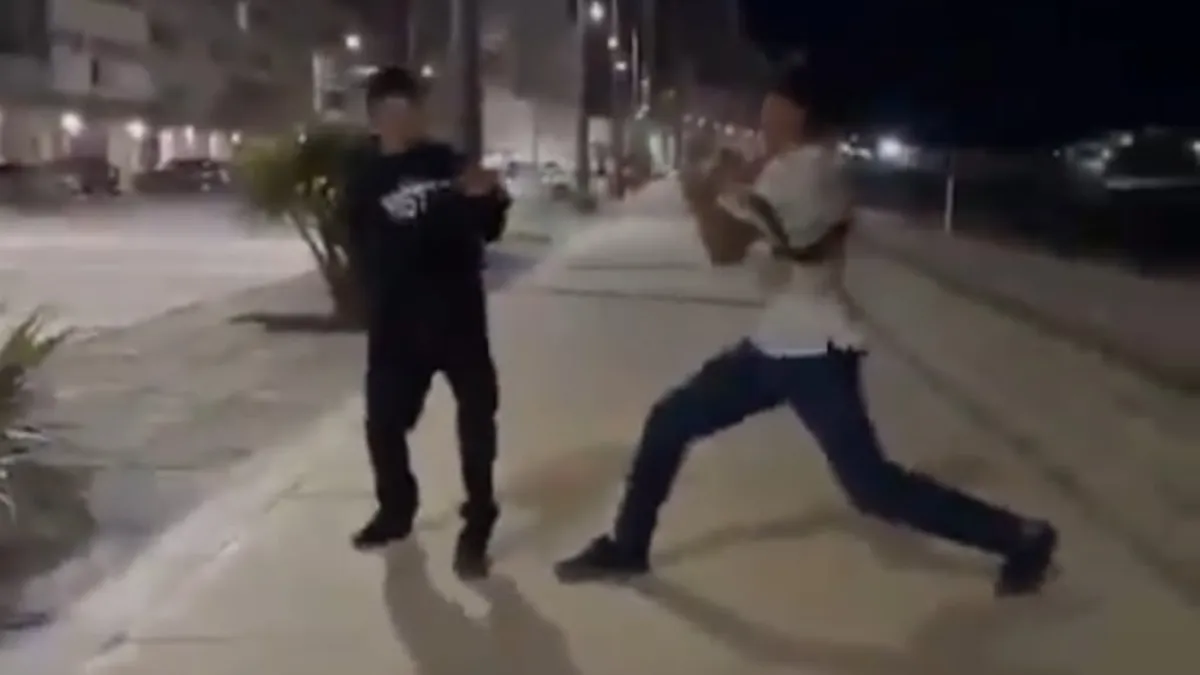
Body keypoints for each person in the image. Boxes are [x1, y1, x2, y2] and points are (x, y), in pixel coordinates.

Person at [555, 65, 1059, 597]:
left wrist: (702, 192)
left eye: (773, 106)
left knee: (873, 488)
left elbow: (724, 248)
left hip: (814, 351)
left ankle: (1022, 536)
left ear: (798, 113)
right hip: (777, 342)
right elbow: (761, 213)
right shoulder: (807, 165)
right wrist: (732, 180)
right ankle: (628, 547)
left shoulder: (804, 172)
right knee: (670, 421)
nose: (763, 116)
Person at [340, 66, 510, 578]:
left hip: (458, 317)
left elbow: (488, 226)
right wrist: (371, 292)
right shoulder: (363, 177)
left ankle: (479, 518)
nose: (403, 121)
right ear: (375, 119)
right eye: (391, 112)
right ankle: (396, 509)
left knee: (477, 417)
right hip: (396, 324)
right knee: (383, 423)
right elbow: (358, 241)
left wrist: (488, 199)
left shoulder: (446, 162)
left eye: (410, 109)